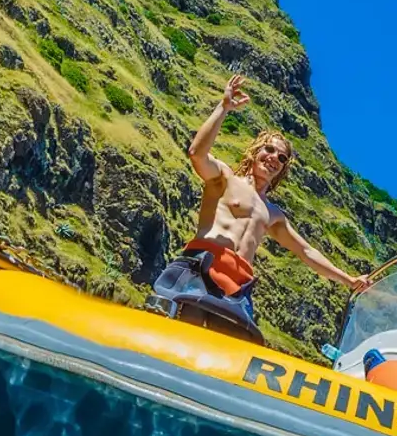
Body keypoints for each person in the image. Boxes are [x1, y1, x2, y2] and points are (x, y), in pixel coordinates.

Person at [152, 72, 370, 339]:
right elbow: (197, 153)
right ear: (255, 152)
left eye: (281, 157)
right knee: (185, 332)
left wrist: (348, 279)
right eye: (268, 150)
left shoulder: (273, 214)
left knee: (230, 348)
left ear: (282, 170)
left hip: (237, 285)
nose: (273, 158)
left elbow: (306, 252)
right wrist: (224, 108)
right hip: (202, 267)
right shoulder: (224, 178)